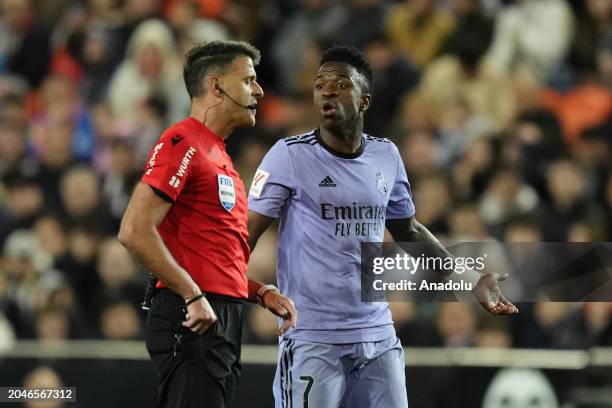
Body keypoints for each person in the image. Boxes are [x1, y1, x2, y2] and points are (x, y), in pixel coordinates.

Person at [247, 45, 518, 408]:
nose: (327, 91)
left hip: (376, 334)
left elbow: (408, 230)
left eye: (341, 84)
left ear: (365, 101)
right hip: (311, 337)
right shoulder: (289, 156)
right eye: (320, 84)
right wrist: (212, 293)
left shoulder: (386, 155)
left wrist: (470, 281)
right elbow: (242, 237)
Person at [118, 41, 297, 408]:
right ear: (216, 86)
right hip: (193, 318)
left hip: (219, 316)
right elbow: (134, 230)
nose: (259, 91)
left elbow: (212, 260)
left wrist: (260, 292)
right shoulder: (182, 141)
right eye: (248, 80)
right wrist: (192, 295)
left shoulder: (220, 156)